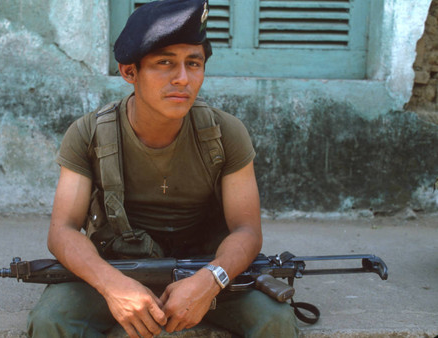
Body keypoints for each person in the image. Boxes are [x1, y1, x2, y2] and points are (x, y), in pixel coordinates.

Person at [27, 0, 299, 337]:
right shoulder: (89, 133)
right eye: (165, 63)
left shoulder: (226, 133)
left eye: (193, 63)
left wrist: (211, 281)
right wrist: (113, 287)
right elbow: (63, 230)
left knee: (276, 321)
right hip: (119, 265)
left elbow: (247, 230)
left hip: (204, 265)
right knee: (51, 321)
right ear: (129, 72)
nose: (183, 79)